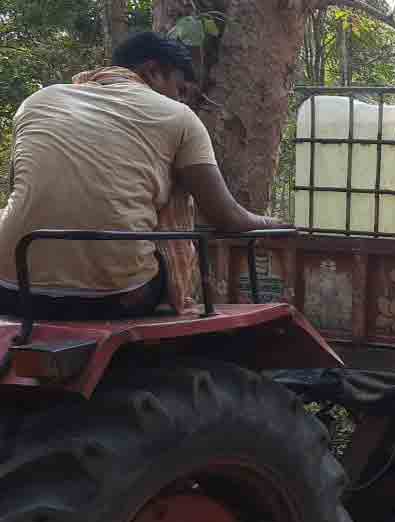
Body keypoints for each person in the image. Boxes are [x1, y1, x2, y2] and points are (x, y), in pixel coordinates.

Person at [0, 31, 285, 321]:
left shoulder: (38, 101)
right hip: (116, 297)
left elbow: (23, 191)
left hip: (11, 289)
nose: (182, 99)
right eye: (181, 88)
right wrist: (275, 224)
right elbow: (227, 217)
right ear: (152, 71)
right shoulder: (179, 116)